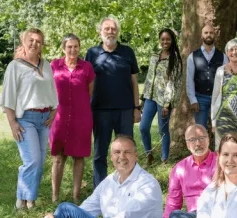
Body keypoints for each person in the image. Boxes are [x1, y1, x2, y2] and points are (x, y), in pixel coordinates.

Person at [20, 135, 163, 218]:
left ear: (136, 155)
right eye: (117, 152)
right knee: (65, 209)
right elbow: (80, 212)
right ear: (111, 156)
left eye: (127, 152)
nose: (122, 157)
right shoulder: (109, 181)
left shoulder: (147, 185)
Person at [0, 28, 58, 210]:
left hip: (44, 119)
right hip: (25, 119)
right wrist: (13, 123)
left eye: (38, 41)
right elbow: (8, 96)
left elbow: (52, 90)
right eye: (31, 40)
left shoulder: (46, 65)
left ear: (42, 45)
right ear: (24, 42)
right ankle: (21, 201)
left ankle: (30, 200)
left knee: (39, 162)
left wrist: (54, 111)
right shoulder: (15, 66)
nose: (34, 43)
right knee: (31, 161)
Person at [85, 16, 140, 187]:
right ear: (100, 31)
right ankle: (100, 189)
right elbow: (85, 82)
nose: (110, 32)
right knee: (100, 153)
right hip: (99, 110)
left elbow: (134, 82)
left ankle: (128, 185)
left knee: (127, 151)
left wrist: (136, 107)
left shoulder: (128, 52)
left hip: (124, 110)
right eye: (106, 28)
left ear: (118, 31)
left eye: (113, 29)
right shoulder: (92, 53)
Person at [49, 33, 96, 203]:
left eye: (76, 46)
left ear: (79, 47)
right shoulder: (54, 65)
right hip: (59, 118)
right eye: (69, 46)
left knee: (79, 156)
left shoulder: (87, 67)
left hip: (81, 117)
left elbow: (89, 92)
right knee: (58, 157)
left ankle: (76, 196)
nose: (73, 49)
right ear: (63, 48)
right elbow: (48, 90)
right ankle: (55, 196)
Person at [164, 124, 217, 218]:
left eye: (201, 138)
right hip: (194, 216)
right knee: (175, 216)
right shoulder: (179, 168)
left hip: (216, 211)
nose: (198, 143)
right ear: (187, 144)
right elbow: (173, 200)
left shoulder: (220, 162)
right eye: (192, 140)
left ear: (209, 139)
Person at [139, 28, 182, 165]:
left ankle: (164, 158)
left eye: (168, 39)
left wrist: (167, 104)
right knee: (143, 127)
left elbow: (173, 83)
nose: (165, 42)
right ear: (160, 40)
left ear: (172, 41)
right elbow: (148, 78)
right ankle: (149, 155)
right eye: (163, 39)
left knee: (163, 130)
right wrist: (143, 98)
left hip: (163, 100)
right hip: (150, 98)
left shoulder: (174, 59)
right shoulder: (154, 56)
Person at [186, 25, 228, 127]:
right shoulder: (192, 56)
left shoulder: (223, 57)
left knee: (220, 129)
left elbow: (226, 80)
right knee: (201, 130)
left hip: (218, 98)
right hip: (200, 98)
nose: (208, 35)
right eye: (206, 33)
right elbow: (189, 80)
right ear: (201, 35)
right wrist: (193, 100)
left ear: (215, 35)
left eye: (211, 33)